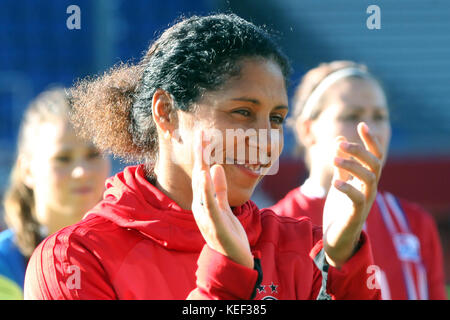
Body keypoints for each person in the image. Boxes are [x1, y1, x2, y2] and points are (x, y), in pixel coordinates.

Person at [25, 14, 383, 300]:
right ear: (166, 113)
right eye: (242, 112)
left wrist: (345, 266)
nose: (264, 140)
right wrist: (227, 274)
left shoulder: (303, 248)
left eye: (275, 118)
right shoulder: (75, 257)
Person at [271, 61, 447, 300]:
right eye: (351, 115)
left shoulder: (414, 223)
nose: (369, 129)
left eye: (380, 116)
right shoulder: (274, 227)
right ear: (307, 130)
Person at [0, 88, 111, 299]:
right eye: (63, 158)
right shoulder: (4, 265)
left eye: (93, 154)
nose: (82, 171)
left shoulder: (134, 252)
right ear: (27, 170)